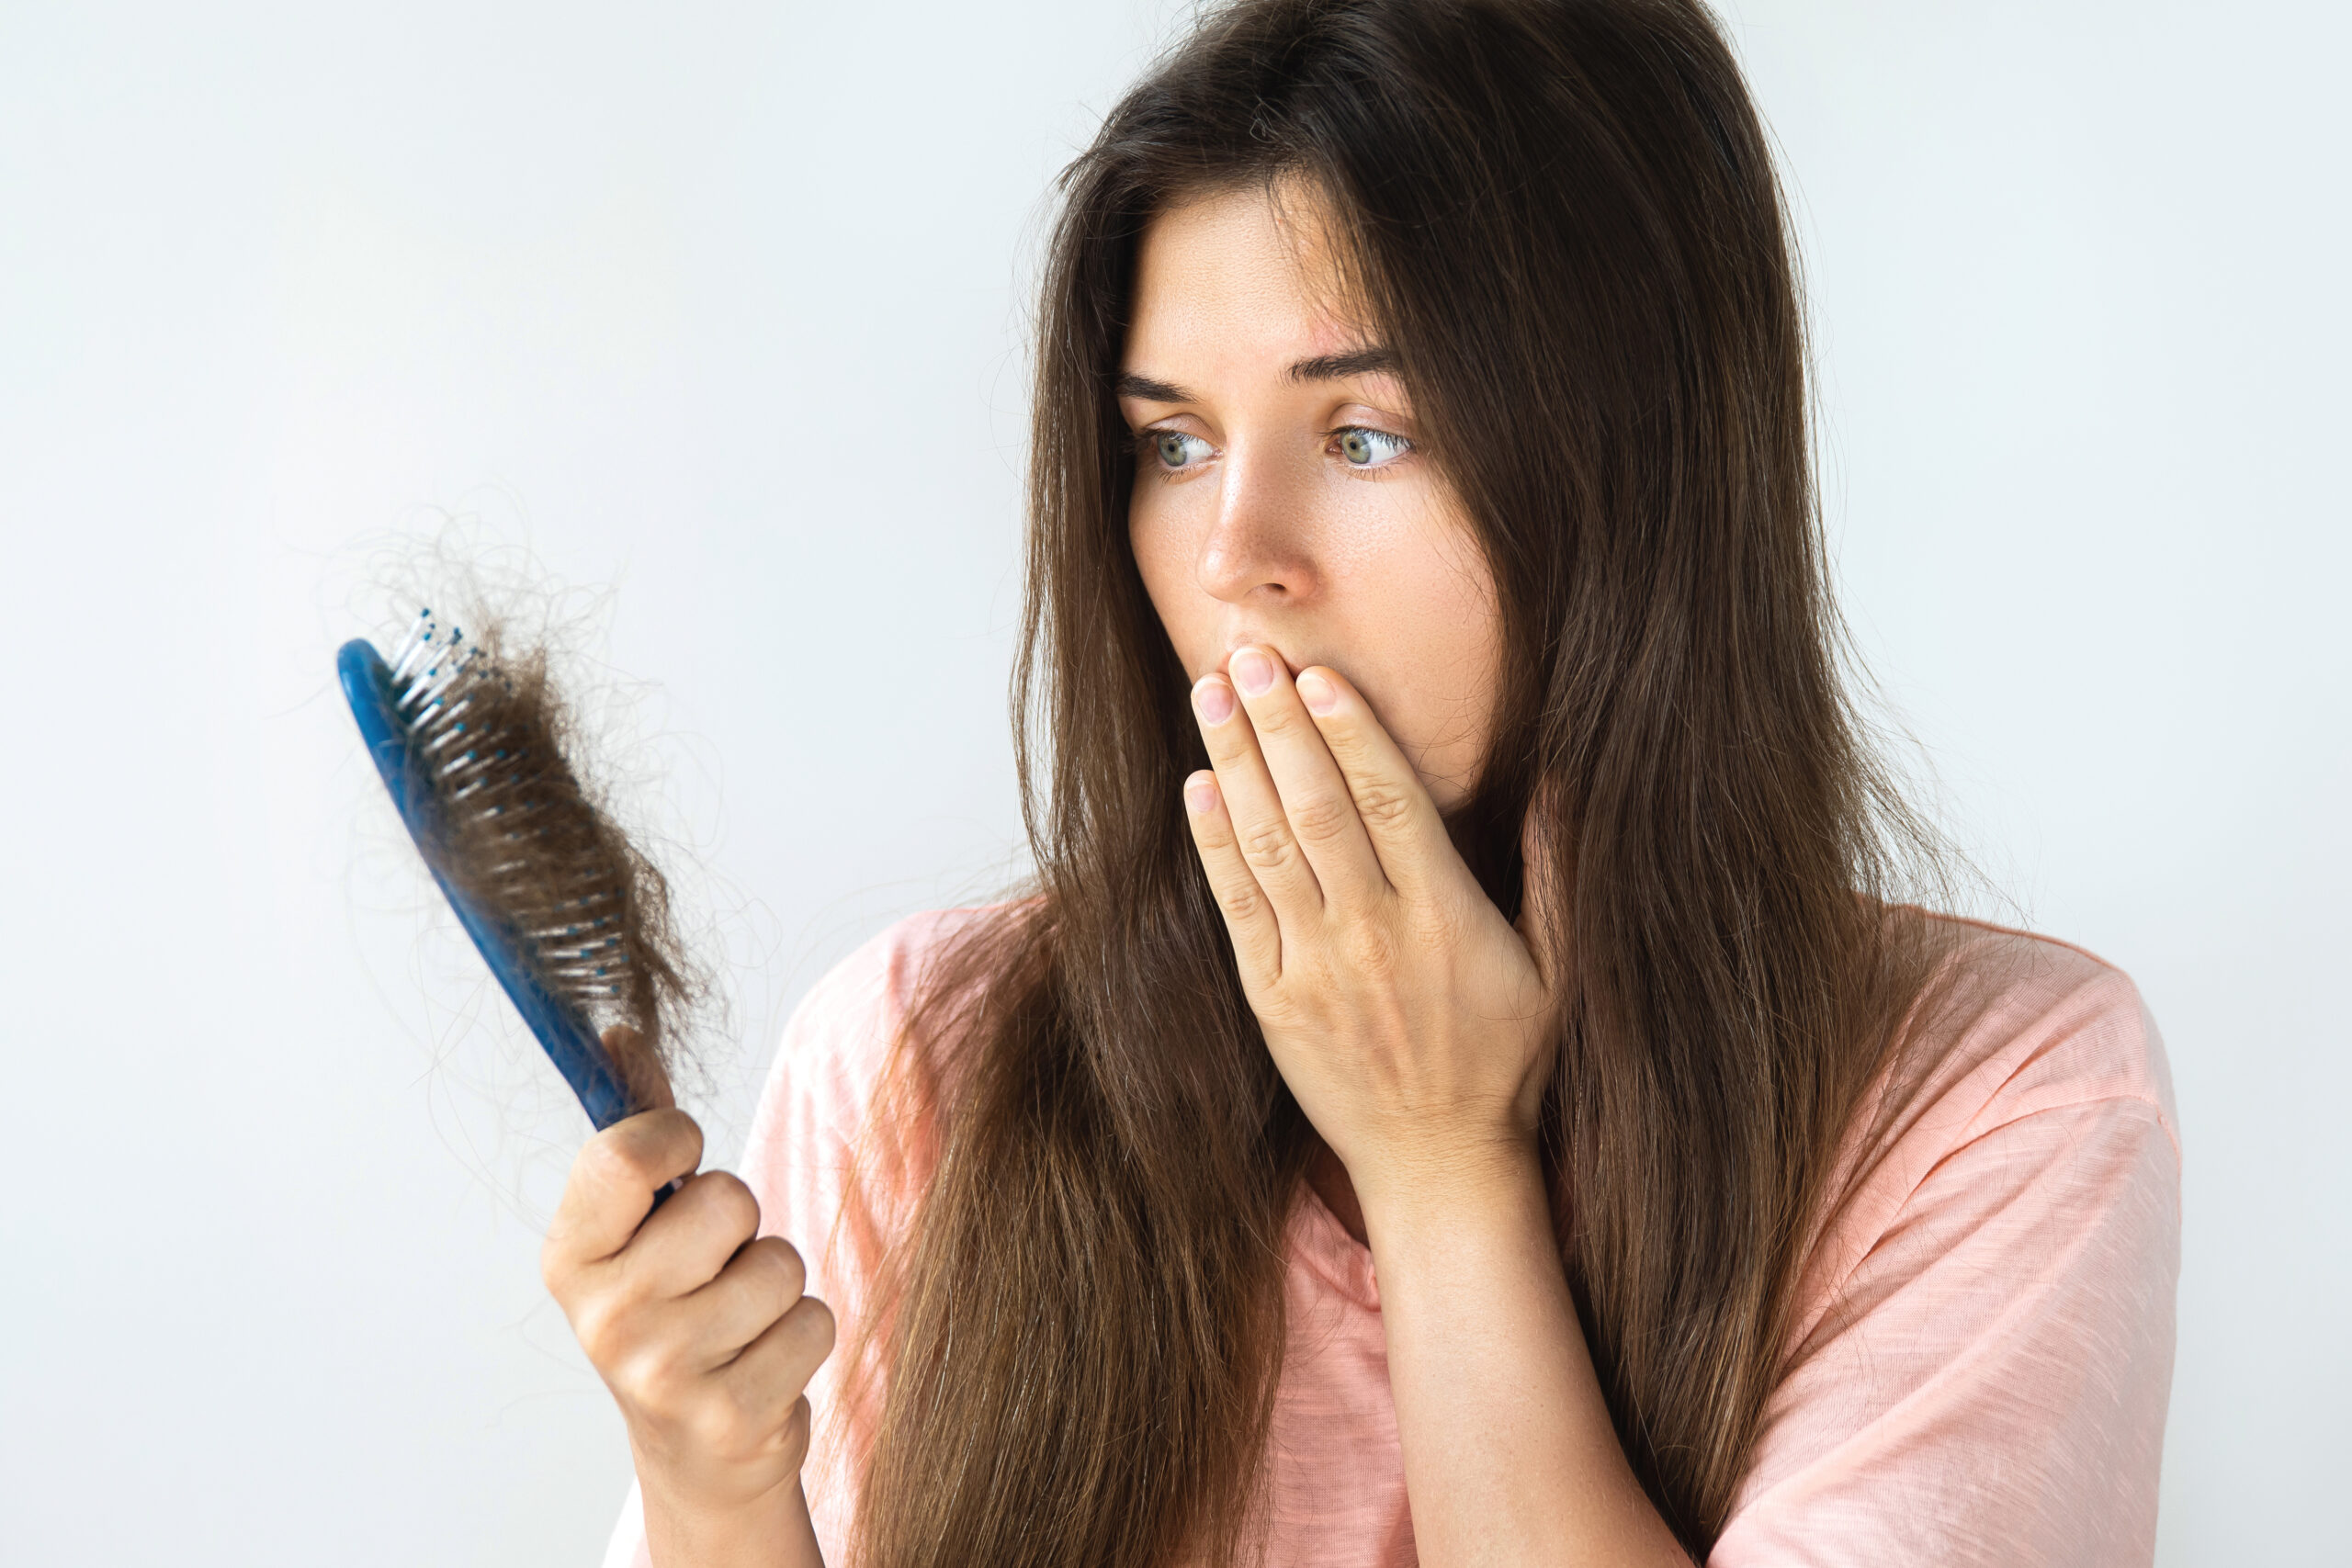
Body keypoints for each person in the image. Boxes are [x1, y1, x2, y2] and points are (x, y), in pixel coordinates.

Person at [544, 2, 2181, 1563]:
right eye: (1173, 445)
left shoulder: (2000, 1104)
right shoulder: (917, 1061)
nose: (1234, 557)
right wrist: (713, 1486)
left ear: (1635, 479)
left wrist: (1440, 1164)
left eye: (1366, 434)